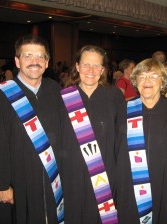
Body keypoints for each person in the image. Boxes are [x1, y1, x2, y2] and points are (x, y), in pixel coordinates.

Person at [0, 34, 65, 224]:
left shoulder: (55, 90)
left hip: (52, 179)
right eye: (28, 56)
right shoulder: (1, 96)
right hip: (18, 180)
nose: (35, 61)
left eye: (40, 56)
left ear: (47, 62)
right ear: (17, 61)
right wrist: (2, 184)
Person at [60, 45, 125, 223]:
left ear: (103, 70)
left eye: (96, 66)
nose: (91, 70)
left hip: (105, 173)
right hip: (72, 174)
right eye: (86, 64)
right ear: (77, 66)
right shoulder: (63, 97)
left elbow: (121, 138)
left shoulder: (114, 96)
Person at [116, 58, 167, 223]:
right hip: (131, 185)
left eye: (154, 76)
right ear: (135, 81)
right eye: (142, 76)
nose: (147, 81)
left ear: (163, 82)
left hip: (164, 183)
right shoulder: (124, 110)